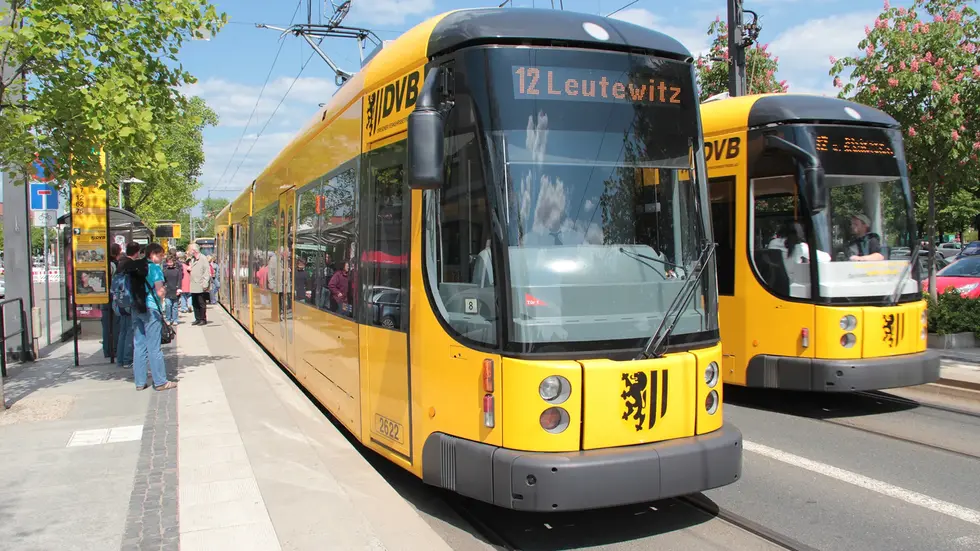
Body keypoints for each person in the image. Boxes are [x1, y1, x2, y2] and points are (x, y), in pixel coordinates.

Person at [122, 242, 175, 391]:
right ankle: (160, 382)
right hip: (151, 309)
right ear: (153, 254)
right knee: (154, 347)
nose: (162, 258)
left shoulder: (134, 267)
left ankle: (140, 382)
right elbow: (159, 292)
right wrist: (163, 292)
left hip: (136, 309)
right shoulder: (154, 269)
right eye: (160, 255)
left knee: (139, 346)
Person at [115, 242, 141, 369]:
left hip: (120, 301)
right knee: (131, 330)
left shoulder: (120, 263)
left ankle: (120, 359)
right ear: (137, 252)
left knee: (123, 331)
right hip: (129, 301)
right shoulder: (132, 265)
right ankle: (127, 359)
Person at [102, 243, 122, 359]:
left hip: (104, 295)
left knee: (106, 324)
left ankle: (107, 349)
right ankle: (114, 348)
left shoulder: (103, 264)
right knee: (116, 323)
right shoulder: (116, 265)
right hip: (114, 295)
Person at [188, 244, 211, 325]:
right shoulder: (192, 259)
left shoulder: (203, 258)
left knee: (201, 302)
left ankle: (203, 319)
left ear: (194, 250)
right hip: (193, 284)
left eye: (190, 249)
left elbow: (206, 272)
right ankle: (197, 318)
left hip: (200, 284)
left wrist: (205, 284)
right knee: (195, 303)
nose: (189, 251)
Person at [162, 253, 183, 325]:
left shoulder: (177, 271)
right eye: (168, 262)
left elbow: (179, 280)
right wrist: (163, 288)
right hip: (168, 290)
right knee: (168, 305)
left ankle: (175, 319)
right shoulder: (164, 271)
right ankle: (168, 319)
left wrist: (179, 289)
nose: (170, 263)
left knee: (175, 306)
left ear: (174, 262)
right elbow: (163, 281)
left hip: (175, 290)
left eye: (171, 262)